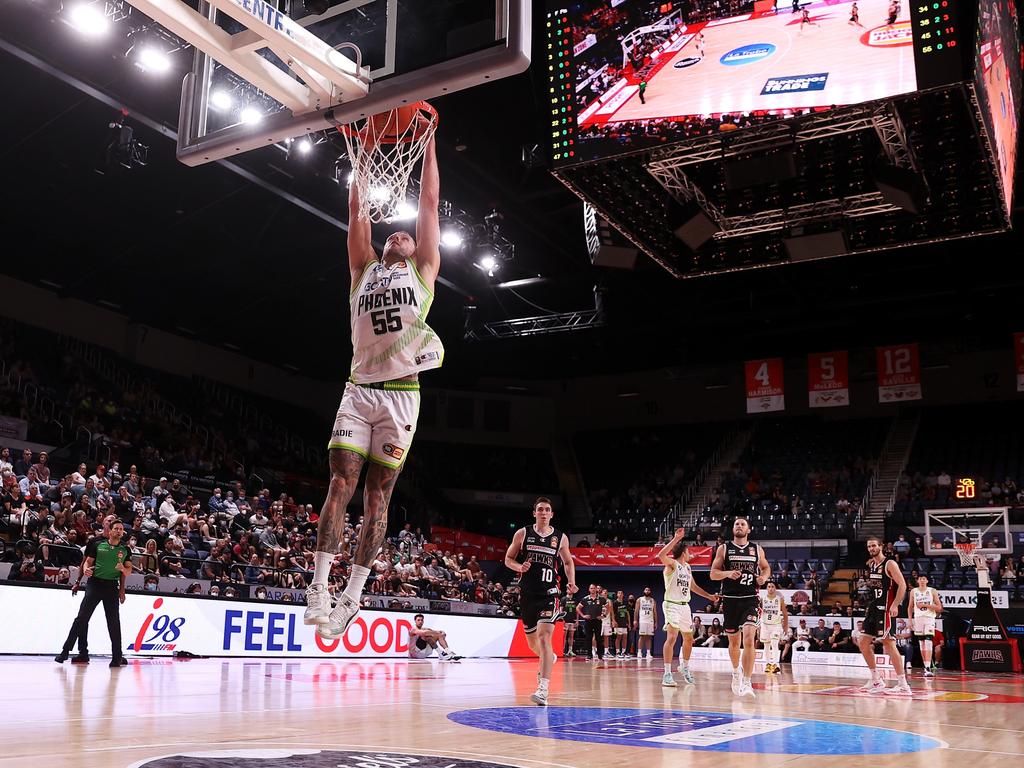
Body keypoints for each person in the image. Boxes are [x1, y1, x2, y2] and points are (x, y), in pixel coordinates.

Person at [304, 130, 444, 639]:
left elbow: (428, 203)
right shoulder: (362, 270)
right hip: (359, 390)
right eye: (395, 235)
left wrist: (430, 138)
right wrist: (359, 156)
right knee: (340, 483)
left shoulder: (424, 272)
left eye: (407, 237)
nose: (401, 236)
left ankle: (353, 595)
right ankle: (319, 584)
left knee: (378, 498)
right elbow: (355, 215)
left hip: (402, 397)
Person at [503, 497, 577, 705]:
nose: (544, 513)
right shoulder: (523, 533)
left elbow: (568, 562)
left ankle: (543, 689)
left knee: (545, 638)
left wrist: (571, 582)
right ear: (534, 513)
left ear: (552, 514)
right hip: (527, 595)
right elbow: (508, 559)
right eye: (540, 510)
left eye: (547, 510)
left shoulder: (560, 538)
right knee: (532, 644)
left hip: (550, 594)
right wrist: (519, 567)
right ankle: (548, 658)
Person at [55, 519, 132, 667]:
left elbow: (128, 571)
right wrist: (86, 570)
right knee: (81, 618)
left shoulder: (125, 550)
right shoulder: (98, 544)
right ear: (110, 531)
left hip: (111, 587)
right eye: (116, 528)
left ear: (123, 533)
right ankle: (65, 651)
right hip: (95, 584)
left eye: (121, 529)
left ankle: (117, 657)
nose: (118, 531)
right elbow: (87, 562)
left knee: (114, 623)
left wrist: (122, 581)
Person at [710, 516, 770, 697]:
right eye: (737, 524)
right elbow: (713, 574)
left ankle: (747, 681)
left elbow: (766, 568)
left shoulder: (756, 549)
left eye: (743, 524)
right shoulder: (724, 548)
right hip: (730, 599)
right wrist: (728, 573)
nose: (739, 526)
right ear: (733, 529)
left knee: (750, 638)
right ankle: (736, 671)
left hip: (751, 598)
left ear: (748, 529)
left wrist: (764, 578)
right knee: (734, 643)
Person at [659, 528, 720, 686]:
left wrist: (709, 596)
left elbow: (693, 586)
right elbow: (661, 555)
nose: (690, 553)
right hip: (672, 604)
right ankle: (666, 674)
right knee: (672, 637)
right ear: (683, 552)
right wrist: (675, 539)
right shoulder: (672, 565)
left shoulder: (687, 568)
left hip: (685, 606)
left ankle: (684, 667)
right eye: (688, 551)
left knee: (689, 639)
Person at [856, 536, 911, 694]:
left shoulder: (890, 563)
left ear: (881, 546)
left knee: (889, 643)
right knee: (863, 642)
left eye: (874, 546)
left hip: (886, 608)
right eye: (869, 546)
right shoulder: (872, 564)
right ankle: (876, 680)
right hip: (874, 607)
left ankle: (902, 683)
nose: (871, 548)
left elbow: (902, 585)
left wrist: (895, 605)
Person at [909, 573, 942, 676]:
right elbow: (910, 607)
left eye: (924, 579)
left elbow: (939, 607)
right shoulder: (913, 591)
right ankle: (926, 667)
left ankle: (928, 667)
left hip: (929, 618)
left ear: (927, 581)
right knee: (921, 642)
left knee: (928, 641)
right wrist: (910, 620)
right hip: (918, 618)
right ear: (917, 581)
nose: (922, 580)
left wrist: (925, 605)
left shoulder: (932, 591)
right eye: (920, 579)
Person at [760, 581, 788, 674]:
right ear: (766, 588)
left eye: (772, 586)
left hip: (776, 625)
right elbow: (758, 611)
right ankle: (768, 664)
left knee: (775, 644)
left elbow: (784, 613)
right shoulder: (762, 599)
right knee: (766, 645)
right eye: (769, 586)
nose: (770, 588)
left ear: (775, 588)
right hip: (765, 624)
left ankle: (775, 665)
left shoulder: (779, 599)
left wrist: (786, 625)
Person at [578, 584, 606, 661]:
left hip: (597, 621)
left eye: (594, 588)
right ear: (589, 589)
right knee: (588, 638)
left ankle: (600, 655)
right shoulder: (585, 599)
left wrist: (603, 615)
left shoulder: (601, 599)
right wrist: (583, 616)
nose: (593, 590)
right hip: (588, 621)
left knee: (599, 638)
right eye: (591, 588)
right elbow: (578, 608)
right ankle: (589, 655)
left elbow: (608, 606)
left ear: (596, 589)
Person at [634, 586, 658, 660]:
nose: (647, 591)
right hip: (643, 620)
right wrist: (635, 620)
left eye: (648, 590)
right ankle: (639, 652)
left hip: (650, 621)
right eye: (646, 590)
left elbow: (655, 612)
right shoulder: (640, 599)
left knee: (649, 637)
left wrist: (656, 622)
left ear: (650, 592)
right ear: (644, 591)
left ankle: (648, 653)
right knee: (642, 636)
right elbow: (636, 611)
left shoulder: (652, 600)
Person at [612, 590, 631, 658]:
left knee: (625, 637)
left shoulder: (625, 603)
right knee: (618, 637)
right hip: (618, 622)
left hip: (624, 622)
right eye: (619, 593)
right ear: (617, 595)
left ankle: (623, 652)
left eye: (621, 593)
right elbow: (612, 613)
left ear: (623, 595)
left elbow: (627, 613)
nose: (620, 594)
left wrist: (629, 623)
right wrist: (613, 621)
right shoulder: (615, 603)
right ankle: (617, 652)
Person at [562, 589, 578, 657]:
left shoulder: (575, 600)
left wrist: (577, 620)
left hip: (572, 620)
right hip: (565, 620)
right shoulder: (563, 599)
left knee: (571, 636)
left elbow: (577, 611)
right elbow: (561, 610)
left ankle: (570, 651)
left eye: (571, 589)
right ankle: (562, 651)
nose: (570, 590)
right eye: (568, 589)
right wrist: (562, 619)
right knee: (564, 636)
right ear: (566, 591)